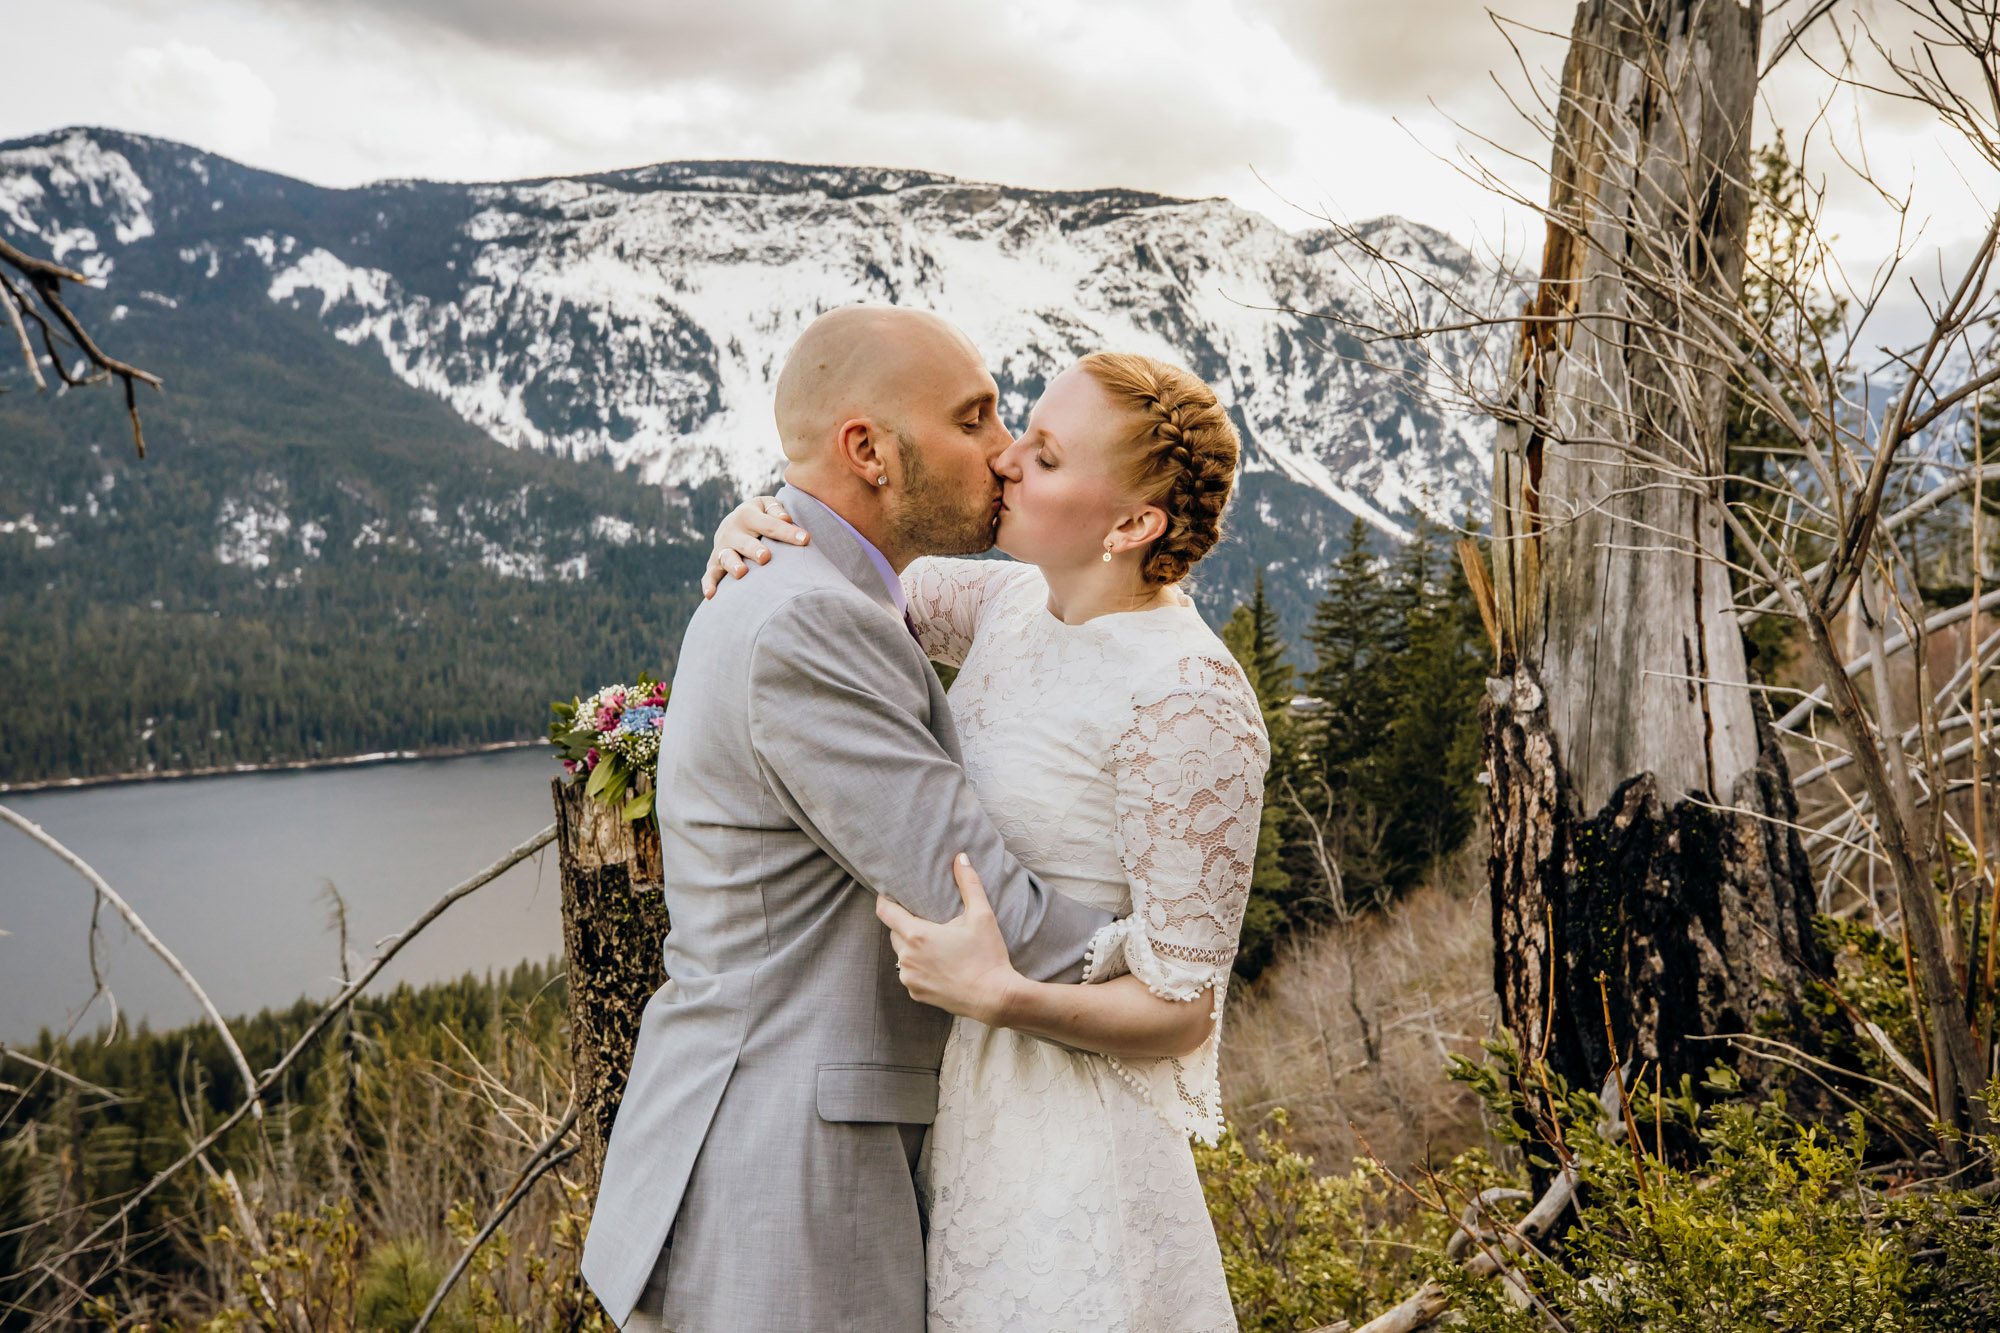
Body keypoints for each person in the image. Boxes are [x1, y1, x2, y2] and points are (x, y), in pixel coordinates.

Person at [706, 343, 1268, 1331]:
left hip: (1077, 1140)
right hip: (965, 1107)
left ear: (1133, 523)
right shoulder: (1007, 603)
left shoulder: (1189, 696)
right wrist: (759, 522)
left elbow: (1182, 1009)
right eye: (1016, 434)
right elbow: (847, 584)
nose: (1004, 459)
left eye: (1044, 456)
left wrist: (1003, 996)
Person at [580, 306, 1117, 1333]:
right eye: (974, 419)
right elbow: (977, 910)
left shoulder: (817, 586)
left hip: (758, 1158)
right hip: (786, 1189)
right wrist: (1170, 971)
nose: (1003, 452)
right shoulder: (807, 616)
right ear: (866, 449)